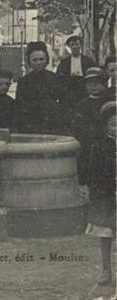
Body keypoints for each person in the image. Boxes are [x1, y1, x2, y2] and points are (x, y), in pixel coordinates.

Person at [85, 101, 116, 286]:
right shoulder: (99, 147)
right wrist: (97, 194)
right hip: (106, 197)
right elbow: (93, 174)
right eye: (113, 124)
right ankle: (106, 269)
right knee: (106, 235)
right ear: (105, 126)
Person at [13, 41, 63, 134]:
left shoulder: (55, 78)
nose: (38, 62)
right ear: (29, 62)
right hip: (31, 124)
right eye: (34, 60)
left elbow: (62, 101)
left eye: (41, 59)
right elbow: (19, 106)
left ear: (47, 60)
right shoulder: (23, 82)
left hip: (52, 124)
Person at [71, 67, 109, 185]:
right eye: (89, 83)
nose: (93, 86)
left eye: (97, 82)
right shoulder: (82, 105)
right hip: (87, 146)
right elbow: (78, 126)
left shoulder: (109, 102)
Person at [56, 35, 95, 126]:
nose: (75, 47)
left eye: (77, 44)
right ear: (69, 47)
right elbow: (59, 79)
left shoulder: (88, 61)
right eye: (72, 45)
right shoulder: (64, 63)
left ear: (80, 46)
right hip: (69, 92)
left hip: (84, 91)